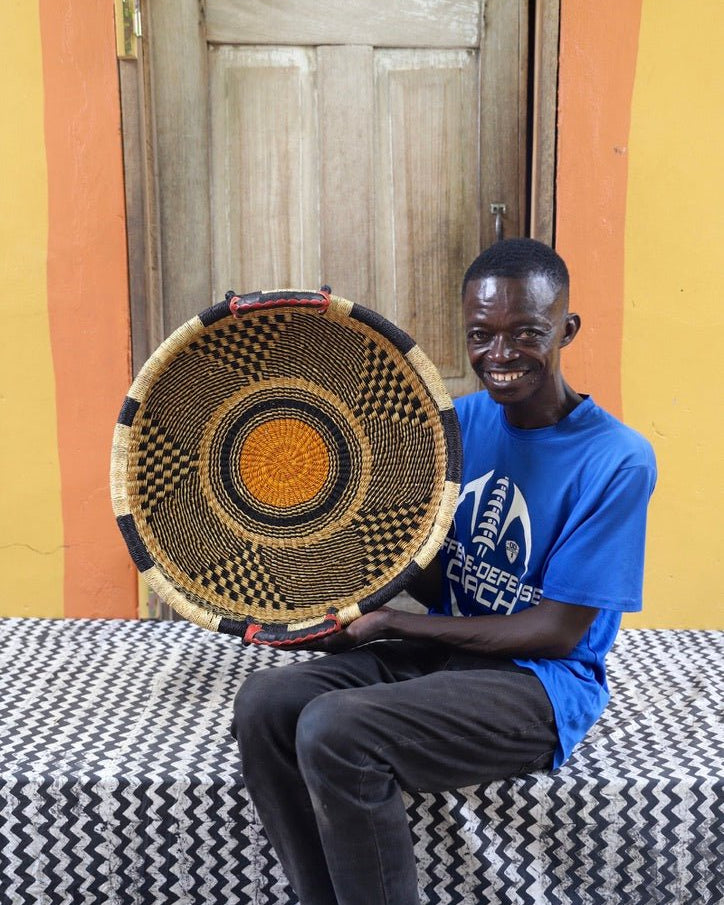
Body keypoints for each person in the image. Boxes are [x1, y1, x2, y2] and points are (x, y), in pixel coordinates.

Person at [231, 238, 657, 905]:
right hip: (447, 656)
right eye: (481, 335)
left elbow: (557, 632)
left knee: (336, 728)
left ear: (567, 330)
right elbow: (429, 564)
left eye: (527, 334)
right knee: (266, 703)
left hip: (539, 685)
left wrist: (392, 623)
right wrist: (346, 580)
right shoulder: (452, 422)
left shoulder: (617, 460)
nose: (501, 355)